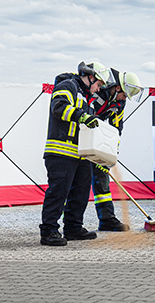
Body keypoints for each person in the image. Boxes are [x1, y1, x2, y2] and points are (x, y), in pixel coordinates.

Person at [39, 60, 107, 246]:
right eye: (98, 85)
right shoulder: (67, 86)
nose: (98, 89)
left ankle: (73, 227)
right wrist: (81, 115)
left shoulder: (87, 99)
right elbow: (58, 107)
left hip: (80, 154)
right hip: (61, 151)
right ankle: (49, 231)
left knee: (81, 193)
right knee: (58, 192)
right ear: (90, 77)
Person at [89, 68, 143, 231]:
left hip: (96, 141)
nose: (124, 99)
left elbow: (116, 127)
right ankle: (69, 222)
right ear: (118, 88)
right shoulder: (98, 88)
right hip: (80, 139)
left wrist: (111, 153)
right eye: (125, 95)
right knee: (78, 182)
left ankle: (106, 219)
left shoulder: (118, 101)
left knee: (102, 180)